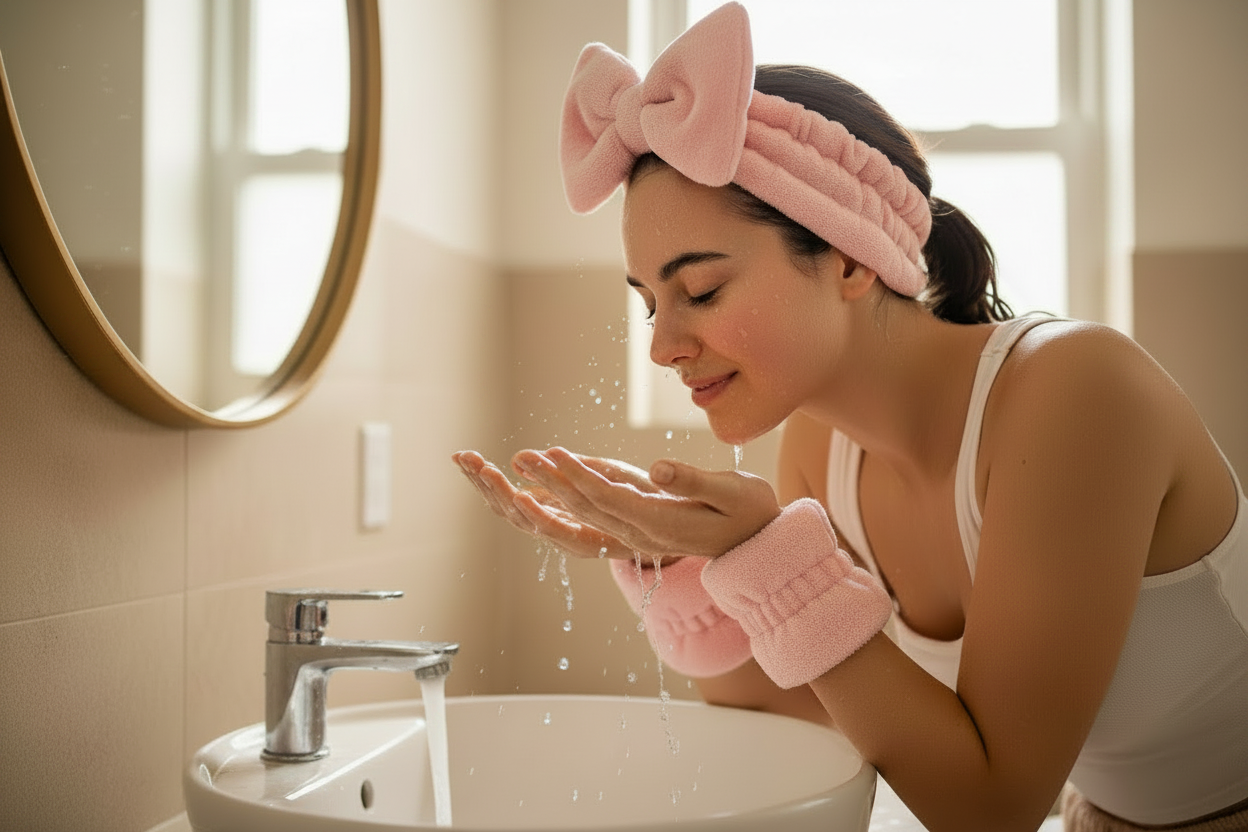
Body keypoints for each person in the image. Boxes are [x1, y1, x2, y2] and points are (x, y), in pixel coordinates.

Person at [453, 4, 1248, 830]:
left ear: (845, 257)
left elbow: (995, 806)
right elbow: (812, 719)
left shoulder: (1075, 393)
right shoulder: (819, 450)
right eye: (652, 302)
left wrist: (762, 559)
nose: (663, 346)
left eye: (702, 291)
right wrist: (672, 560)